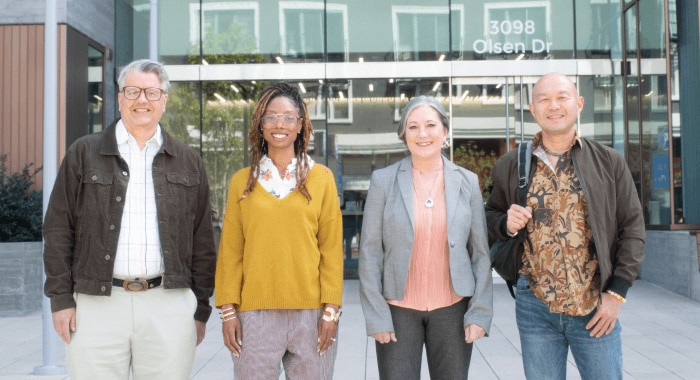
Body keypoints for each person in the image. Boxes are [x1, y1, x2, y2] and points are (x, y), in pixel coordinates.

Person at [43, 59, 217, 379]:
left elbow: (203, 240)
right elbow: (57, 229)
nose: (142, 101)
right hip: (96, 305)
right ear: (120, 97)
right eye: (133, 91)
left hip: (169, 302)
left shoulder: (188, 162)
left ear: (164, 100)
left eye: (152, 93)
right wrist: (61, 299)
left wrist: (201, 308)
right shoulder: (84, 153)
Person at [485, 72, 646, 380]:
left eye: (562, 97)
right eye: (543, 99)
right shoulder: (510, 164)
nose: (553, 106)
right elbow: (490, 215)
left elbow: (633, 228)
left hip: (594, 304)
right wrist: (505, 223)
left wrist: (617, 293)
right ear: (532, 109)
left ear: (579, 103)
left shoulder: (608, 161)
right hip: (535, 306)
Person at [215, 82, 344, 379]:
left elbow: (331, 251)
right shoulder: (241, 182)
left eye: (288, 117)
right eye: (270, 117)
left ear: (300, 125)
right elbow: (231, 253)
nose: (279, 125)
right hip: (254, 315)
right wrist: (228, 311)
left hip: (311, 314)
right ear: (260, 125)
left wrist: (331, 311)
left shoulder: (322, 179)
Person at [359, 95, 493, 379]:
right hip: (398, 310)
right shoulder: (383, 181)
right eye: (413, 127)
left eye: (431, 125)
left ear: (444, 132)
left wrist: (479, 312)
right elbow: (370, 253)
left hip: (452, 309)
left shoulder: (467, 181)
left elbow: (480, 253)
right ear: (404, 135)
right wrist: (377, 315)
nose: (422, 134)